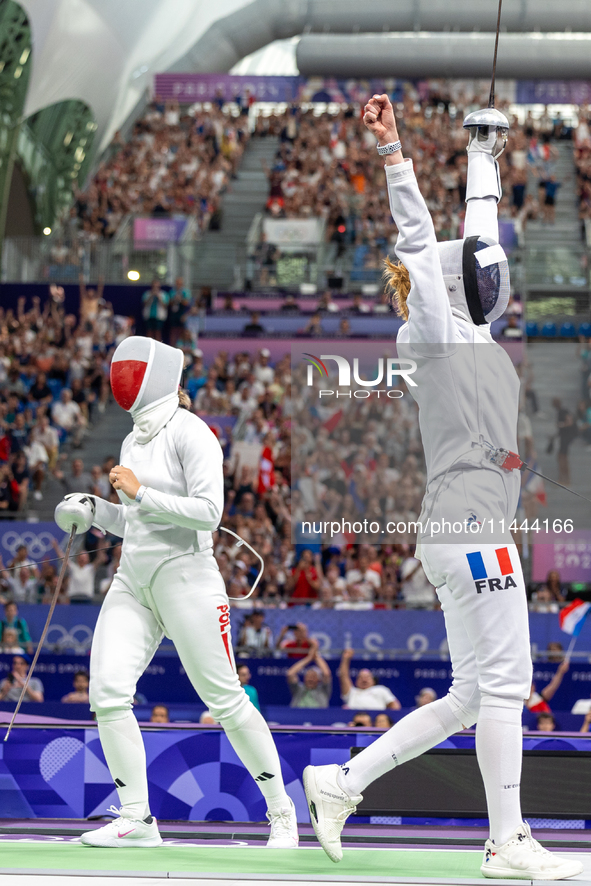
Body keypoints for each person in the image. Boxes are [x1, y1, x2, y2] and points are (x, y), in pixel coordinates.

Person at [303, 95, 582, 880]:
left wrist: (483, 150)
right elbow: (424, 244)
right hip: (469, 527)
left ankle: (339, 783)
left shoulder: (473, 330)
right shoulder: (428, 329)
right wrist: (394, 151)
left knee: (470, 693)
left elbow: (479, 238)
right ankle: (506, 842)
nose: (492, 276)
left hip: (457, 528)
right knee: (506, 684)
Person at [54, 336, 297, 850]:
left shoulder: (195, 434)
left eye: (130, 371)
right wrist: (98, 512)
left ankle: (282, 813)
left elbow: (209, 513)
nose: (120, 380)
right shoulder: (131, 441)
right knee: (107, 691)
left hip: (187, 575)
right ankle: (138, 819)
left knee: (225, 699)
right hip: (133, 579)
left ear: (157, 377)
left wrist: (140, 491)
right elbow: (137, 522)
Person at [286, 640, 332, 708]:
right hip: (297, 716)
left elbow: (326, 674)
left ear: (319, 679)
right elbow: (290, 674)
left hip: (318, 717)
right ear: (304, 678)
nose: (310, 679)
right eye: (308, 676)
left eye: (313, 677)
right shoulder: (298, 689)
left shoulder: (323, 691)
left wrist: (316, 655)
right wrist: (309, 658)